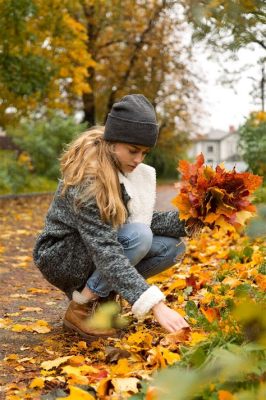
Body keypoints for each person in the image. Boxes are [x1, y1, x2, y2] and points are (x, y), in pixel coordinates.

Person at [33, 94, 191, 340]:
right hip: (62, 254)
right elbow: (106, 249)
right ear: (113, 141)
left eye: (145, 152)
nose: (139, 160)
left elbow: (145, 220)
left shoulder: (122, 171)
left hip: (91, 248)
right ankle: (82, 306)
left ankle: (103, 301)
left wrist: (196, 218)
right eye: (133, 150)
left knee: (173, 247)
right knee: (139, 237)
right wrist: (156, 306)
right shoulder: (90, 179)